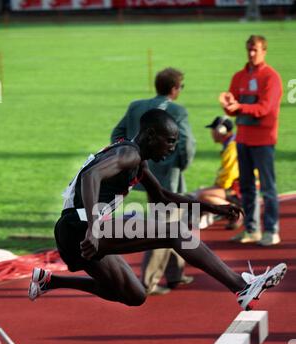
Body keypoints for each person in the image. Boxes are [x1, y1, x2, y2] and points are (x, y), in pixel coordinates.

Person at [28, 109, 286, 312]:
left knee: (135, 295)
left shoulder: (137, 162)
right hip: (81, 226)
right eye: (170, 142)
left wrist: (212, 207)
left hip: (76, 232)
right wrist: (94, 228)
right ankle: (242, 287)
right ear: (151, 135)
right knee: (175, 232)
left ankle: (50, 281)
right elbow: (91, 176)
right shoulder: (128, 153)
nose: (172, 149)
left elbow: (163, 196)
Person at [111, 67, 196, 295]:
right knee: (166, 224)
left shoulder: (136, 106)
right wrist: (181, 163)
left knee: (178, 220)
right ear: (174, 89)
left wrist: (128, 159)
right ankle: (148, 282)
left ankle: (175, 274)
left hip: (143, 172)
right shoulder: (177, 110)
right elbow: (186, 143)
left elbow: (117, 133)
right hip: (170, 176)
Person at [220, 35, 283, 246]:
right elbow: (232, 105)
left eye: (255, 49)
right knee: (246, 186)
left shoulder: (271, 77)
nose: (251, 53)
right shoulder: (238, 76)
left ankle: (271, 231)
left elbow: (264, 108)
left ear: (264, 51)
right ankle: (251, 229)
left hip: (264, 140)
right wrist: (227, 104)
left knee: (267, 187)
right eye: (249, 49)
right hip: (243, 138)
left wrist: (239, 107)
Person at [190, 116, 242, 230]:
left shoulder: (232, 147)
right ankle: (211, 213)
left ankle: (235, 212)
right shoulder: (231, 144)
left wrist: (216, 187)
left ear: (221, 131)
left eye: (213, 130)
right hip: (238, 185)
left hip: (238, 188)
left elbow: (229, 176)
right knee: (199, 192)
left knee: (202, 195)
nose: (211, 133)